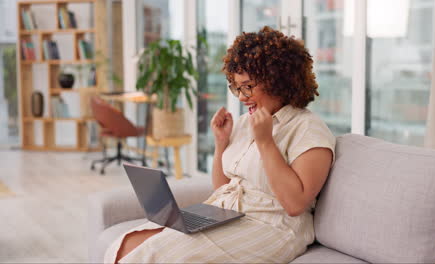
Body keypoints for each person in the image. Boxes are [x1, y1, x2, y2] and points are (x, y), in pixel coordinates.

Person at [104, 26, 335, 263]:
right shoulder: (246, 123)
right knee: (125, 246)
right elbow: (222, 187)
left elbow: (295, 204)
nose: (242, 97)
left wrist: (266, 142)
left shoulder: (307, 128)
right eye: (236, 87)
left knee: (152, 255)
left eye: (248, 86)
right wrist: (221, 143)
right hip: (225, 212)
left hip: (272, 224)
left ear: (278, 80)